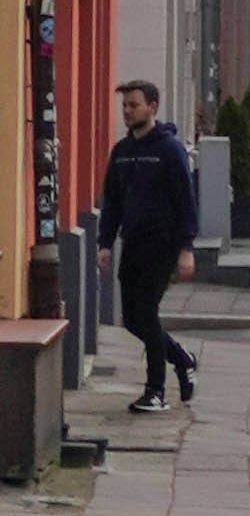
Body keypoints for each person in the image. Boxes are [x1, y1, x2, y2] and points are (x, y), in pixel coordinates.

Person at [99, 78, 199, 410]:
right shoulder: (122, 152)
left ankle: (156, 391)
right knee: (132, 318)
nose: (127, 111)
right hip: (134, 242)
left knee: (146, 312)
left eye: (134, 105)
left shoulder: (169, 150)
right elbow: (112, 201)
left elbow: (185, 200)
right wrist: (105, 243)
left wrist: (186, 248)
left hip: (163, 244)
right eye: (125, 106)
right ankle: (182, 358)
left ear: (152, 108)